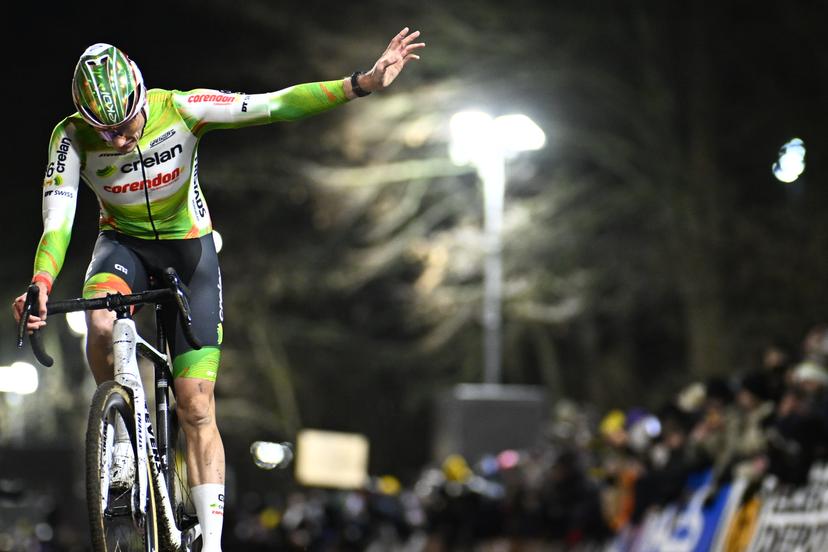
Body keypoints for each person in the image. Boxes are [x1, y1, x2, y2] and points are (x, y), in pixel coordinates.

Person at [12, 29, 424, 551]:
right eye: (105, 131)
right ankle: (119, 443)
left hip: (191, 254)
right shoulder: (70, 137)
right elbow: (58, 223)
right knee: (98, 319)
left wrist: (360, 84)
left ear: (142, 95)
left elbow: (275, 105)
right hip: (123, 248)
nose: (118, 140)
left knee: (197, 407)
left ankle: (210, 544)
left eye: (126, 125)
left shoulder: (183, 109)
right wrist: (42, 283)